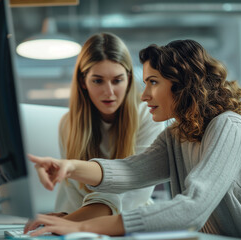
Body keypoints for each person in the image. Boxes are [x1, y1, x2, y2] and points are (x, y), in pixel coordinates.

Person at [26, 39, 241, 240]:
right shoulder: (175, 136)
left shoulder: (228, 127)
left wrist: (81, 227)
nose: (144, 96)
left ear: (182, 83)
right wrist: (70, 167)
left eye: (153, 82)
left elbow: (193, 208)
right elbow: (130, 171)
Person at [33, 32, 164, 222]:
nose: (109, 92)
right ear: (82, 82)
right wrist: (64, 218)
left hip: (129, 224)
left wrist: (69, 221)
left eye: (117, 80)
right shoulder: (68, 124)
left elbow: (133, 193)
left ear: (128, 79)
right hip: (81, 226)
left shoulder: (147, 116)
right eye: (98, 80)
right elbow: (73, 196)